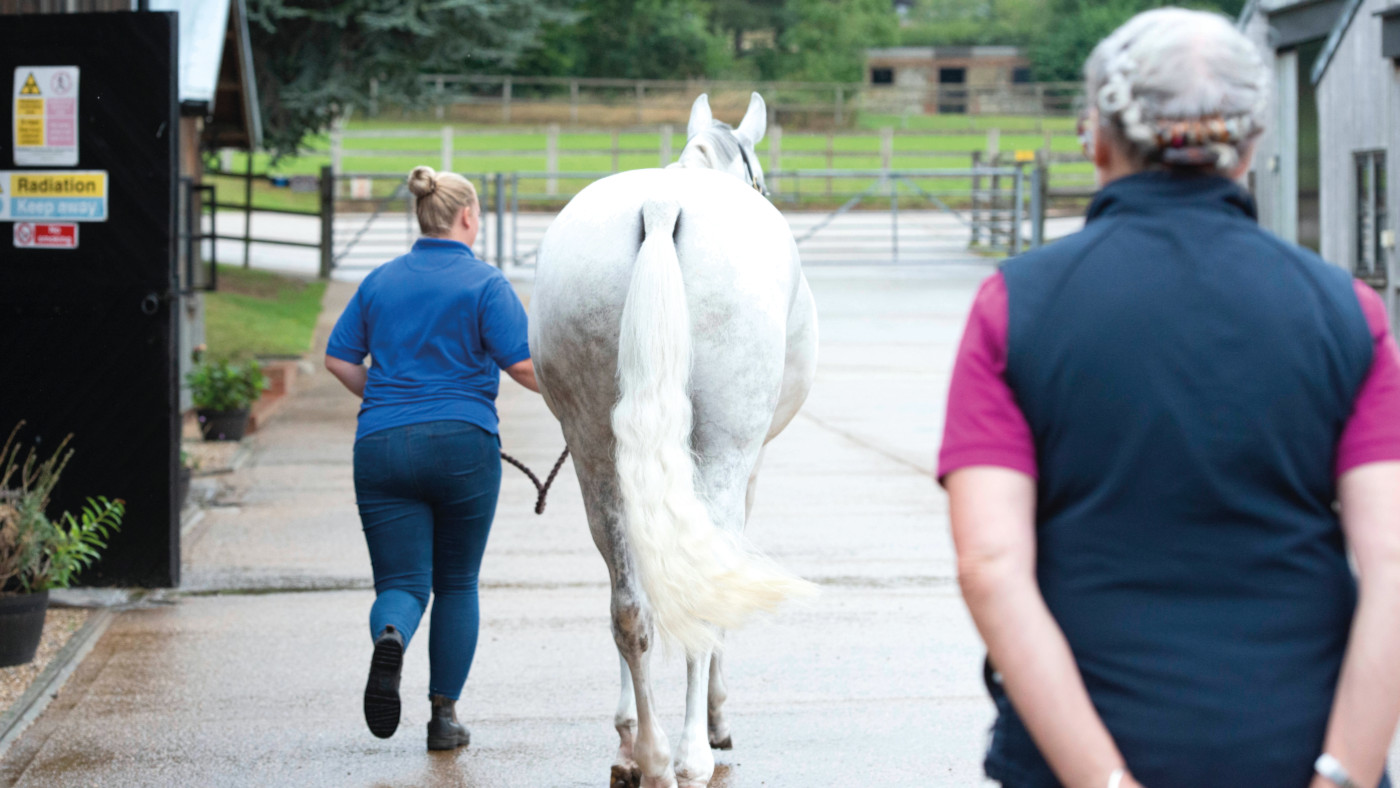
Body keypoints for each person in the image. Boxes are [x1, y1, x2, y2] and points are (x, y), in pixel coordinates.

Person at [939, 9, 1400, 788]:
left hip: (1076, 754)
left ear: (1095, 135)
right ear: (1253, 143)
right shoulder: (1347, 312)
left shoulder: (1013, 308)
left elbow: (989, 563)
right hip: (1291, 747)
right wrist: (1343, 774)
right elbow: (1392, 561)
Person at [325, 165, 540, 750]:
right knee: (457, 582)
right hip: (462, 446)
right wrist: (584, 393)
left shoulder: (379, 282)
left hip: (381, 446)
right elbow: (523, 365)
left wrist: (390, 399)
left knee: (402, 583)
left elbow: (339, 360)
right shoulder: (485, 284)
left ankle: (391, 635)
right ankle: (443, 720)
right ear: (468, 216)